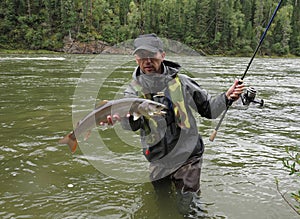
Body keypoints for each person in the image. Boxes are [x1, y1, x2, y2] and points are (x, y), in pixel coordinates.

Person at [108, 33, 244, 215]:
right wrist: (121, 119)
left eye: (152, 55)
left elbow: (210, 110)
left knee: (189, 208)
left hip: (187, 157)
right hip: (157, 158)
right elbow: (131, 126)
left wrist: (226, 97)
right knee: (161, 204)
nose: (147, 61)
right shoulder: (132, 91)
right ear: (136, 58)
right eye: (142, 56)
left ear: (162, 55)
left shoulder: (184, 83)